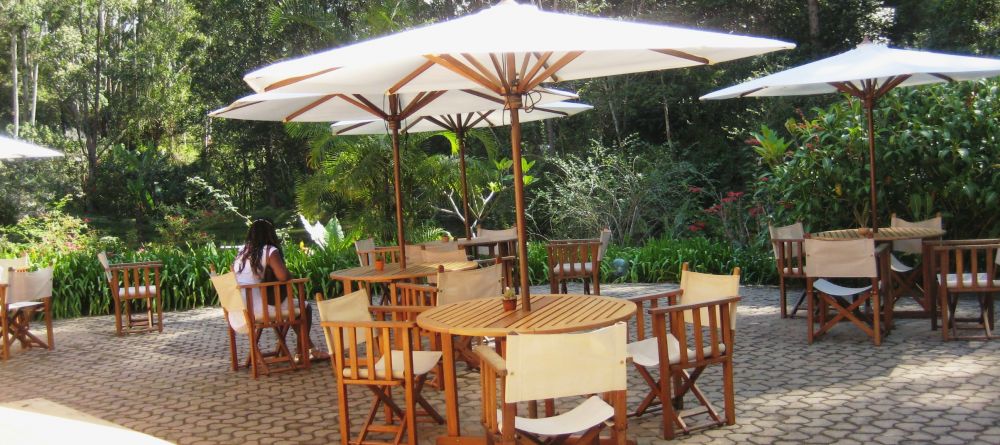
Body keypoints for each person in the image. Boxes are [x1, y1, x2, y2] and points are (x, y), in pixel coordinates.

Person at [230, 218, 325, 361]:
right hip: (259, 309)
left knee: (287, 305)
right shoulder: (269, 250)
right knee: (305, 308)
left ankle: (299, 348)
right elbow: (283, 276)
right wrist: (289, 274)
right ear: (271, 234)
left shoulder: (242, 251)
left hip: (238, 309)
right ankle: (303, 350)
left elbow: (234, 272)